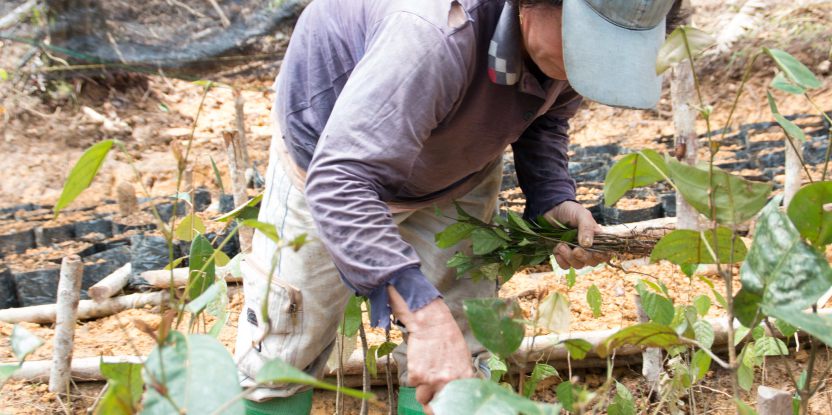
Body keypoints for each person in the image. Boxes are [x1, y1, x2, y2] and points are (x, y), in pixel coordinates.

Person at [234, 0, 683, 413]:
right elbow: (342, 180)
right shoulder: (431, 34)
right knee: (286, 342)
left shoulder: (566, 58)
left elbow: (548, 117)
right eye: (585, 42)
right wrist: (424, 316)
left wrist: (551, 195)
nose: (589, 63)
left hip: (455, 169)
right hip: (331, 163)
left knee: (459, 347)